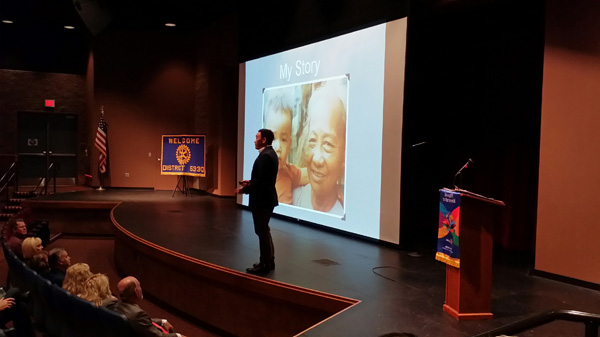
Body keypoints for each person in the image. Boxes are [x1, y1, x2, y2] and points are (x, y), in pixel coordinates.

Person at [293, 82, 347, 215]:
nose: (317, 159)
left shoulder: (347, 213)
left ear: (344, 156)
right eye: (312, 140)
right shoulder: (292, 198)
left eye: (328, 144)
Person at [235, 128, 279, 275]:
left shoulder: (266, 156)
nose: (254, 140)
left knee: (262, 231)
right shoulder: (269, 154)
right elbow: (262, 179)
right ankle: (269, 261)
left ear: (264, 140)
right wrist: (250, 182)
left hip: (262, 200)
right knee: (264, 231)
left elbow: (261, 183)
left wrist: (244, 190)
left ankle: (264, 264)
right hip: (266, 199)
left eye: (257, 137)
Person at [106, 276, 186, 337]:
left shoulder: (118, 305)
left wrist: (161, 321)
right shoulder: (138, 314)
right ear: (136, 292)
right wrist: (178, 336)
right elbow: (158, 336)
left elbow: (141, 322)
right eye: (139, 286)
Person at [264, 95, 308, 204]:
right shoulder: (260, 172)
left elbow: (310, 174)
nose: (278, 147)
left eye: (283, 140)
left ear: (289, 144)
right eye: (272, 138)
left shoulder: (289, 172)